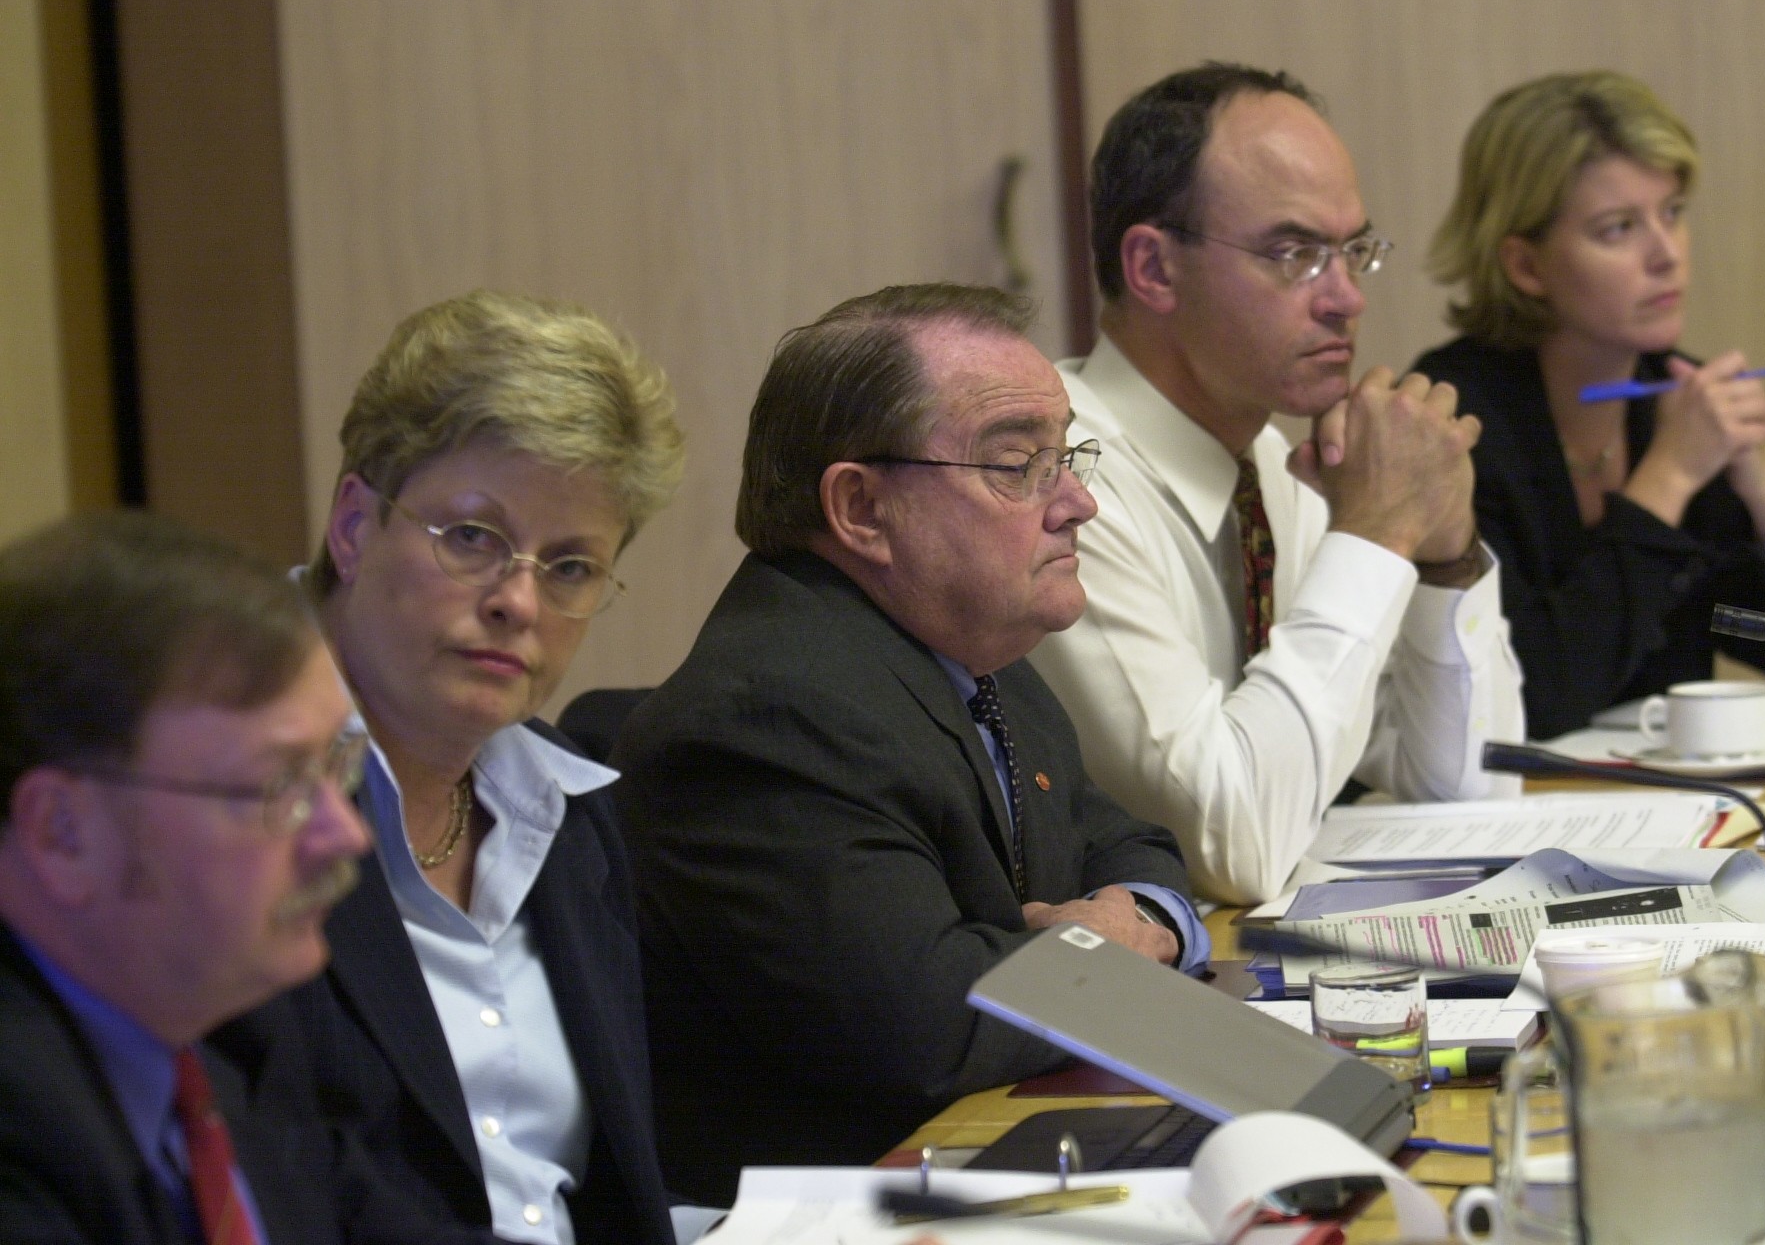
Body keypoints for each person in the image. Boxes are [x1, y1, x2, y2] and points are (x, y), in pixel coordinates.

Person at [613, 282, 1207, 1202]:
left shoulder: (974, 653)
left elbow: (1131, 844)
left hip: (997, 1159)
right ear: (860, 509)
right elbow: (934, 1025)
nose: (1080, 503)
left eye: (1068, 458)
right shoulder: (769, 717)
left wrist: (1139, 920)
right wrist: (1106, 953)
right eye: (1020, 466)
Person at [1028, 63, 1526, 905]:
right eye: (1295, 254)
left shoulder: (1271, 466)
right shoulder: (1056, 477)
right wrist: (1373, 537)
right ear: (1152, 268)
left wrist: (1441, 548)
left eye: (1354, 252)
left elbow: (1466, 791)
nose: (1345, 301)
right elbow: (1229, 851)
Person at [285, 290, 695, 1243]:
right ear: (353, 525)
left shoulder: (567, 806)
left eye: (570, 566)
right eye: (473, 537)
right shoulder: (229, 794)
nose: (519, 601)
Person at [1416, 70, 1765, 738]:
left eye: (1673, 213)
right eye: (1618, 229)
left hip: (1669, 815)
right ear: (1525, 265)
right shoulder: (1453, 421)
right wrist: (1669, 479)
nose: (1666, 255)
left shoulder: (1671, 393)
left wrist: (1762, 488)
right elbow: (1535, 695)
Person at [0, 510, 372, 1243]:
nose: (346, 833)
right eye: (280, 786)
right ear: (64, 833)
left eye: (337, 767)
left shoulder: (217, 1044)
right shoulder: (20, 1131)